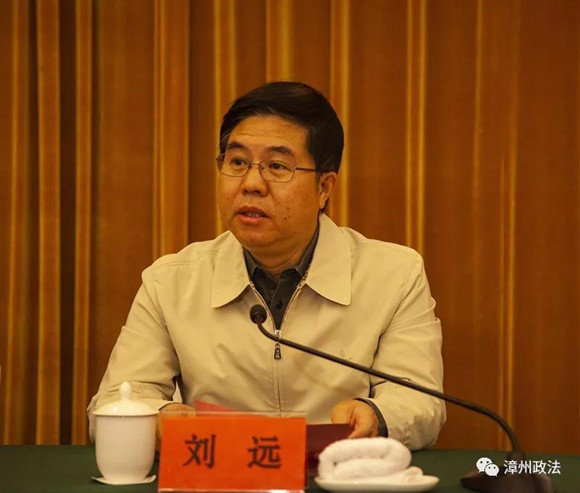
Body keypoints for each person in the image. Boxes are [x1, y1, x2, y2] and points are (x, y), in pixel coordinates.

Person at [88, 81, 445, 450]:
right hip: (221, 477)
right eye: (237, 162)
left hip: (339, 471)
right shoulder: (171, 282)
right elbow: (113, 402)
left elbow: (420, 402)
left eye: (277, 166)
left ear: (324, 187)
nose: (252, 184)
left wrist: (376, 415)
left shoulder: (394, 276)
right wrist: (160, 417)